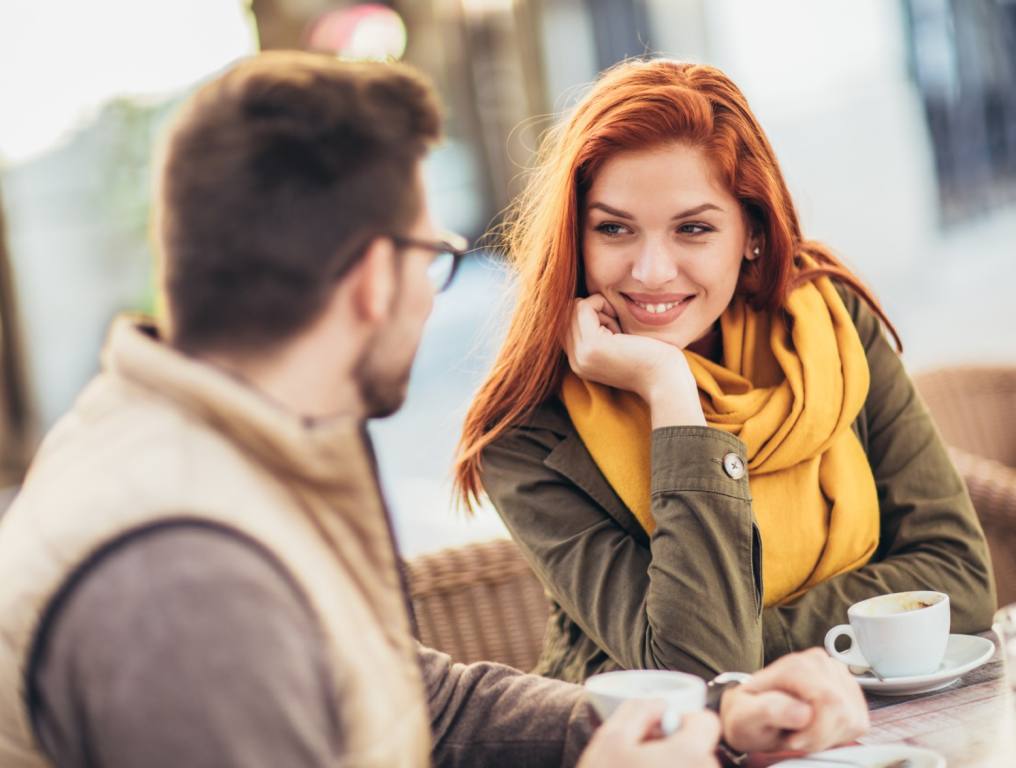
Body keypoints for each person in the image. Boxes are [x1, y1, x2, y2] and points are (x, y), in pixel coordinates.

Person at [0, 52, 867, 768]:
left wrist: (709, 716)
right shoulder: (186, 580)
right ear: (377, 278)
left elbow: (427, 703)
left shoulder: (210, 444)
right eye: (434, 255)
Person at [454, 58, 997, 683]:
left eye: (693, 228)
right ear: (574, 238)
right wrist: (668, 390)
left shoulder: (827, 323)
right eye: (613, 229)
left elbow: (958, 576)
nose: (651, 270)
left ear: (753, 233)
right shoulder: (530, 433)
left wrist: (749, 634)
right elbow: (700, 668)